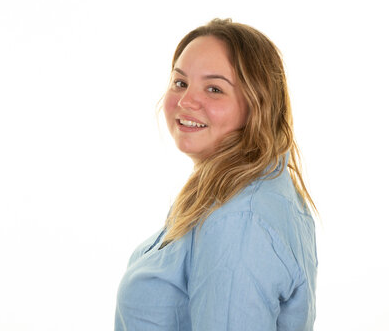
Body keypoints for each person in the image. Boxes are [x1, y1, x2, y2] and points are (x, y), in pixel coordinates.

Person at [114, 18, 318, 331]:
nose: (185, 101)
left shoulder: (239, 221)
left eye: (214, 89)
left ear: (257, 104)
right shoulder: (237, 188)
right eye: (180, 83)